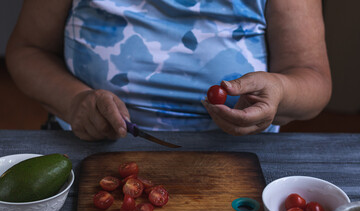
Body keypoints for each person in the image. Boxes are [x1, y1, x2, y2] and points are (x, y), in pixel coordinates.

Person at [6, 0, 331, 141]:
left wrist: (282, 92)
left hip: (240, 163)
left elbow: (312, 79)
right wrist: (74, 102)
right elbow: (26, 51)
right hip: (86, 150)